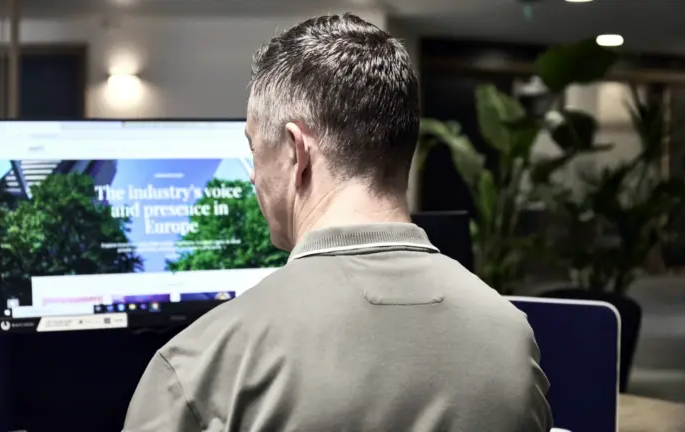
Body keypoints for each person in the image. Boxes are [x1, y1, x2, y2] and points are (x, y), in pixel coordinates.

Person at [124, 13, 552, 432]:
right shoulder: (512, 340)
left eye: (254, 150)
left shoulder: (201, 366)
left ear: (295, 152)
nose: (253, 176)